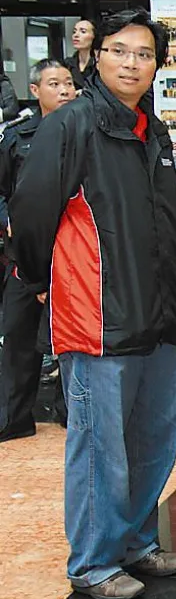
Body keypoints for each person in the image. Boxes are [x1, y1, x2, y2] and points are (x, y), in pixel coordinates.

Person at [10, 8, 176, 599]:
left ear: (156, 65)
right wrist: (40, 277)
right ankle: (92, 562)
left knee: (155, 438)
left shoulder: (153, 131)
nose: (131, 62)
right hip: (99, 319)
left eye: (143, 53)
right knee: (98, 448)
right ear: (98, 56)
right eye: (119, 50)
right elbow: (31, 210)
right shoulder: (73, 124)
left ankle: (136, 540)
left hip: (158, 317)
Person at [0, 59, 75, 443]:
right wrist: (7, 217)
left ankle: (69, 414)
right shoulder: (17, 137)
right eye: (54, 83)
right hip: (25, 256)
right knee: (17, 336)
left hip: (71, 256)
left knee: (69, 341)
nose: (64, 90)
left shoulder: (82, 133)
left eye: (68, 83)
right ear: (35, 90)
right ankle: (14, 417)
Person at [66, 19, 97, 90]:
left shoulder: (101, 64)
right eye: (74, 32)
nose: (76, 35)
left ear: (94, 36)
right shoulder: (67, 64)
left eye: (83, 31)